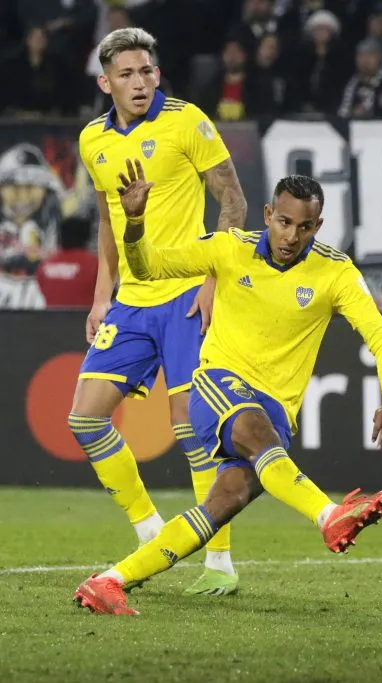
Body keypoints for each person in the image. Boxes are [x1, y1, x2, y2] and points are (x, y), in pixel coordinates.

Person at [74, 168, 382, 616]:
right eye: (284, 222)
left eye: (304, 226)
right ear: (268, 215)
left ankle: (109, 581)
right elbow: (148, 266)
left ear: (318, 227)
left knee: (221, 503)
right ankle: (329, 516)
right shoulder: (230, 249)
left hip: (275, 413)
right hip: (218, 384)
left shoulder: (335, 272)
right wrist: (134, 224)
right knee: (252, 429)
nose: (291, 235)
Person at [71, 28, 249, 597]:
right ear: (106, 82)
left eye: (147, 70)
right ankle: (150, 528)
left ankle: (219, 562)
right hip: (131, 301)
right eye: (126, 74)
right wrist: (102, 295)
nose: (141, 82)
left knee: (192, 430)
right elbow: (107, 223)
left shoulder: (187, 121)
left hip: (186, 294)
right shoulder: (92, 140)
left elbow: (234, 200)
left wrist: (214, 279)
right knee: (85, 417)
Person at [36, 216, 99, 308]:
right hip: (84, 319)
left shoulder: (46, 264)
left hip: (50, 320)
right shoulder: (93, 264)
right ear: (86, 237)